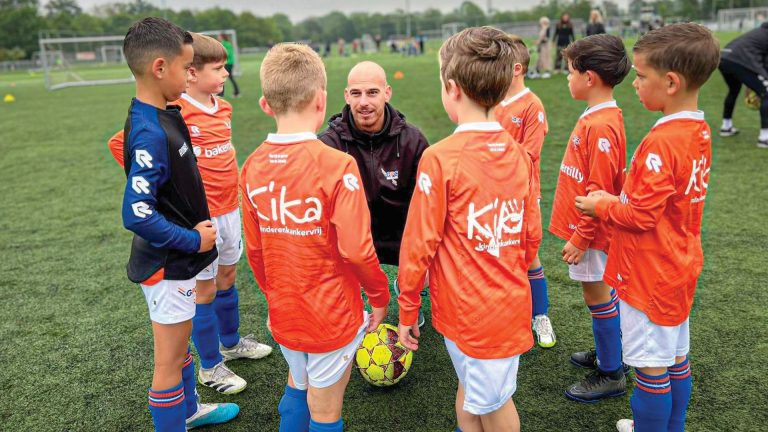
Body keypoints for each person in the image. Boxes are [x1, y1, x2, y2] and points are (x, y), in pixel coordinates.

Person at [108, 33, 273, 395]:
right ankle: (211, 365)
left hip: (231, 209)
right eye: (217, 67)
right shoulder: (171, 112)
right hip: (202, 219)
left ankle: (231, 342)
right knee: (204, 291)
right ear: (191, 73)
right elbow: (122, 145)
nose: (226, 73)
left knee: (228, 275)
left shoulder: (223, 107)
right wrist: (168, 195)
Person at [574, 23, 720, 432]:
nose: (634, 83)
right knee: (676, 358)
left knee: (651, 369)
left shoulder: (663, 141)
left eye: (640, 76)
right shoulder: (699, 129)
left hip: (649, 271)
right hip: (679, 263)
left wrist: (603, 203)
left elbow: (640, 216)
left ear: (671, 82)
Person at [398, 26, 542, 432]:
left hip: (473, 314)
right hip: (505, 305)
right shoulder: (517, 153)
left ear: (451, 87)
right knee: (470, 390)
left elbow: (418, 243)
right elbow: (531, 236)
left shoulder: (441, 158)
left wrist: (408, 306)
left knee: (495, 405)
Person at [241, 43, 390, 432]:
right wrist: (378, 296)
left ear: (265, 104)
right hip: (331, 316)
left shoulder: (252, 165)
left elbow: (254, 252)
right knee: (325, 409)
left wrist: (276, 295)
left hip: (284, 311)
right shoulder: (338, 165)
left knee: (297, 382)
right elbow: (357, 249)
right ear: (323, 101)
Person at [118, 18, 238, 431]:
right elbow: (136, 213)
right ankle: (176, 417)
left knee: (180, 350)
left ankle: (188, 411)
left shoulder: (163, 111)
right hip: (168, 264)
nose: (190, 76)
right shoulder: (151, 130)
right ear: (158, 68)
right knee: (168, 362)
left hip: (181, 261)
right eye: (184, 68)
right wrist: (192, 238)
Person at [551, 33, 631, 404]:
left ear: (590, 78)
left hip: (594, 232)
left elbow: (598, 194)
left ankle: (611, 372)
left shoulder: (600, 125)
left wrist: (581, 237)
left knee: (596, 292)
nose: (566, 79)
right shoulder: (598, 115)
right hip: (592, 229)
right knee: (602, 292)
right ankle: (611, 354)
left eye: (570, 72)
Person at [319, 61, 429, 327]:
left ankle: (407, 287)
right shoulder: (328, 144)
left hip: (400, 233)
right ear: (346, 95)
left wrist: (417, 266)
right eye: (356, 94)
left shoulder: (413, 141)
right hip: (352, 237)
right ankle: (351, 300)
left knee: (434, 267)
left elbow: (429, 207)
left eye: (372, 92)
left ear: (387, 92)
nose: (363, 102)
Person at [495, 37, 556, 348]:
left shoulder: (532, 105)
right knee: (498, 254)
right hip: (492, 194)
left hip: (522, 194)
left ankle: (540, 315)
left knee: (529, 257)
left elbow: (529, 154)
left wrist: (493, 152)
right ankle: (507, 315)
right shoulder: (491, 100)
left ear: (516, 68)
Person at [718, 21, 768, 147]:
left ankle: (726, 127)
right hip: (740, 61)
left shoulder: (758, 32)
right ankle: (764, 137)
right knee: (766, 93)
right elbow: (765, 64)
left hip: (724, 58)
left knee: (733, 90)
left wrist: (752, 80)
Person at [218, 33, 239, 98]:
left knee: (223, 77)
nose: (218, 37)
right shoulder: (223, 43)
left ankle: (222, 94)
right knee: (224, 78)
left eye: (219, 36)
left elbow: (228, 54)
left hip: (228, 63)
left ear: (222, 37)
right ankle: (235, 92)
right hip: (227, 63)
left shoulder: (226, 44)